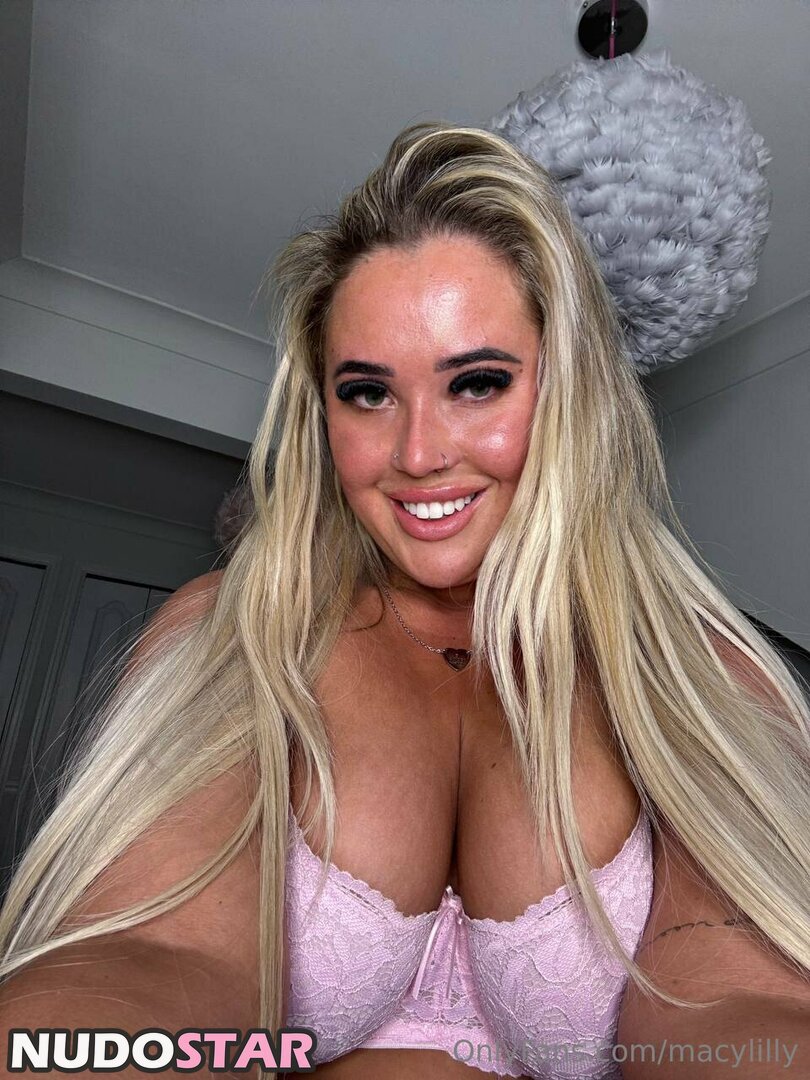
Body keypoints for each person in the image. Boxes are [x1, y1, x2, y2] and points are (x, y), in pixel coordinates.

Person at [1, 122, 808, 1080]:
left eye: (477, 382)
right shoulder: (239, 630)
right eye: (368, 394)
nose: (418, 454)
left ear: (572, 394)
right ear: (322, 412)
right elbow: (150, 950)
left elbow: (735, 1003)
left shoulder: (700, 667)